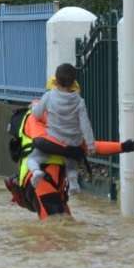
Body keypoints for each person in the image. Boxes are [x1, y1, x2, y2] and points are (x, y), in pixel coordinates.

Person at [27, 63, 95, 195]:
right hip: (73, 143)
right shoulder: (79, 101)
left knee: (33, 158)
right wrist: (91, 145)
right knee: (71, 159)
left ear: (56, 81)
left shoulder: (49, 96)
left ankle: (36, 171)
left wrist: (34, 106)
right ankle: (73, 181)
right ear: (73, 82)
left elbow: (37, 114)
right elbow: (85, 125)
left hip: (54, 140)